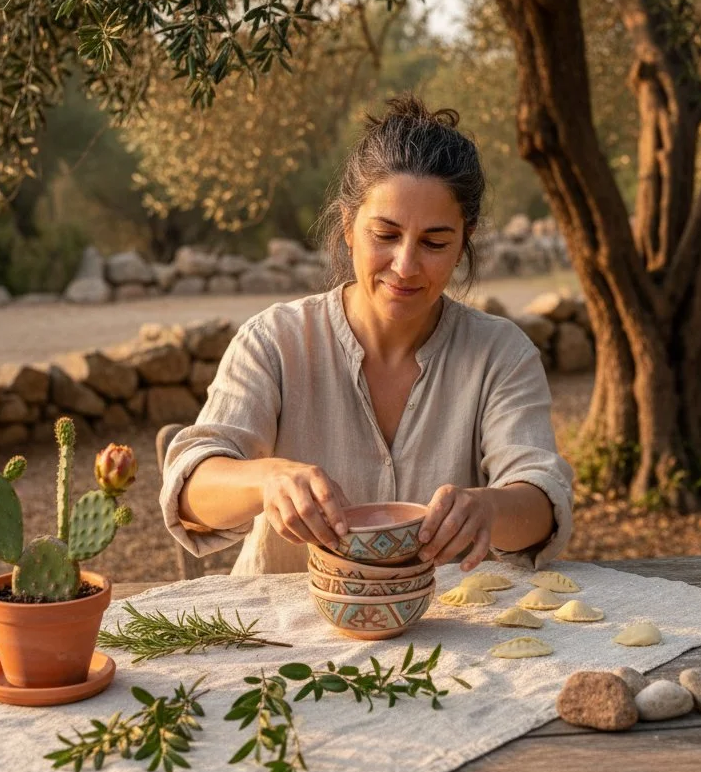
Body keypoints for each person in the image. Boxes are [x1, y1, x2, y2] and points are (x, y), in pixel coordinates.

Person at [160, 94, 574, 578]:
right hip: (284, 637)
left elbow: (543, 500)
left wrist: (490, 510)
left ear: (466, 240)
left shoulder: (501, 354)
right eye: (385, 235)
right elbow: (191, 491)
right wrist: (266, 478)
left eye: (435, 242)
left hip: (453, 629)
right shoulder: (273, 341)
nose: (405, 266)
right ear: (348, 226)